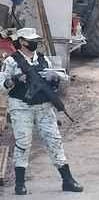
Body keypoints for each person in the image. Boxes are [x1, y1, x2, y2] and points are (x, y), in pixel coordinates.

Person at [0, 28, 83, 195]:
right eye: (31, 40)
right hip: (21, 106)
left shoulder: (43, 59)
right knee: (23, 143)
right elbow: (2, 86)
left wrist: (54, 79)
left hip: (44, 107)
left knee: (54, 140)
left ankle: (67, 180)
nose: (34, 43)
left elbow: (56, 83)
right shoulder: (11, 61)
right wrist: (15, 79)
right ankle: (20, 184)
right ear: (22, 42)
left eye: (36, 40)